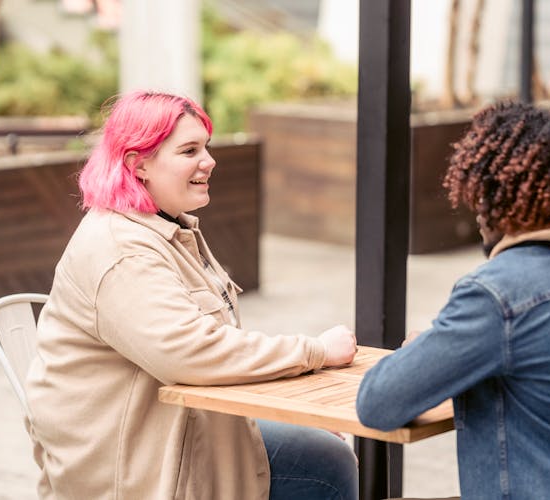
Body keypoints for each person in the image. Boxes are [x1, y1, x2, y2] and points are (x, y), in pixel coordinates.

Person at [24, 90, 359, 500]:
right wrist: (315, 352)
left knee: (325, 452)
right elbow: (191, 352)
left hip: (178, 425)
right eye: (189, 150)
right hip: (136, 464)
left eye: (206, 146)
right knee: (327, 464)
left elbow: (203, 350)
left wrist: (295, 413)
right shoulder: (122, 250)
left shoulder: (164, 227)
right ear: (138, 163)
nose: (209, 160)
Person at [356, 101, 550, 499]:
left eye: (483, 197)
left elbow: (378, 403)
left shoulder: (500, 294)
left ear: (509, 197)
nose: (478, 215)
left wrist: (428, 350)